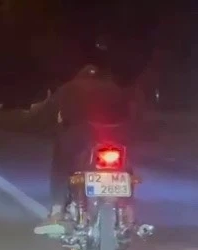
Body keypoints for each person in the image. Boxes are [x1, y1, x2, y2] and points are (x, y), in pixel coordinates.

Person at [33, 64, 130, 237]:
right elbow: (129, 112)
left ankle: (57, 211)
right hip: (115, 134)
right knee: (125, 167)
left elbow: (48, 111)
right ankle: (128, 210)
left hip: (81, 133)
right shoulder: (114, 89)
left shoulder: (69, 87)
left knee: (61, 163)